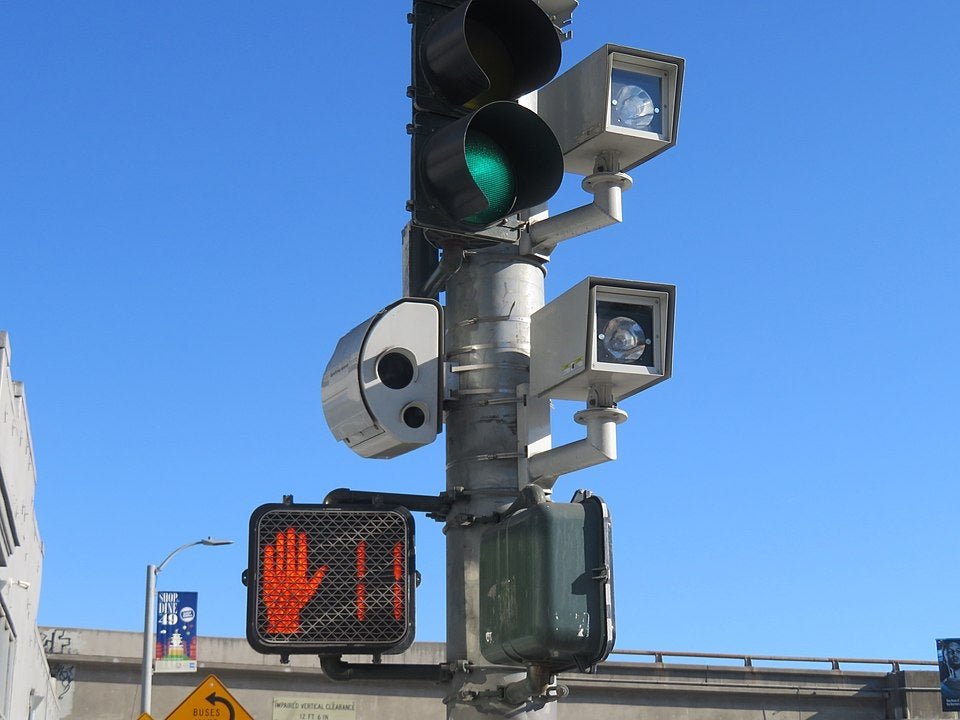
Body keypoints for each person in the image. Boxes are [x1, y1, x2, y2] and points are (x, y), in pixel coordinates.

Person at [940, 640, 960, 708]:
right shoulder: (944, 688)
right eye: (950, 652)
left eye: (958, 651)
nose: (955, 654)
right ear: (945, 658)